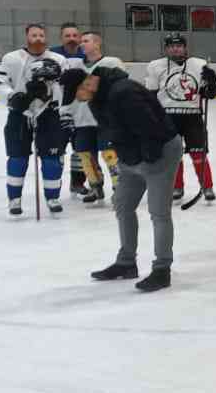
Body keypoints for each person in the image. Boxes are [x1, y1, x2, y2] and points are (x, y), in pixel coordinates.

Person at [68, 65, 183, 293]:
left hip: (159, 153)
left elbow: (151, 128)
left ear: (87, 83)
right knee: (122, 205)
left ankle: (162, 270)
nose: (77, 100)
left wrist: (148, 159)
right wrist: (125, 159)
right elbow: (111, 130)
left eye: (76, 94)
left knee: (159, 212)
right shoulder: (96, 99)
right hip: (131, 158)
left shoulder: (124, 92)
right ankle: (126, 262)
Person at [0, 22, 67, 217]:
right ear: (27, 37)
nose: (38, 39)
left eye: (41, 35)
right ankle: (14, 199)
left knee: (52, 158)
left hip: (49, 114)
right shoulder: (11, 58)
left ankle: (52, 197)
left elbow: (66, 87)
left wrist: (49, 94)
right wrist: (13, 98)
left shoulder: (58, 59)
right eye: (34, 35)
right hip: (19, 115)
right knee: (17, 157)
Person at [143, 33, 216, 203]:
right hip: (167, 118)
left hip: (193, 117)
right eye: (171, 46)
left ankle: (207, 186)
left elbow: (210, 94)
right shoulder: (155, 66)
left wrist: (211, 83)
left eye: (179, 45)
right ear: (166, 49)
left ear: (185, 48)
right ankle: (176, 187)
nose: (175, 48)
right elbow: (151, 95)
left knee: (199, 153)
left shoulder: (199, 65)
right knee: (172, 155)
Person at [66, 30, 125, 206]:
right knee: (85, 154)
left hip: (105, 118)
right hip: (82, 119)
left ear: (97, 43)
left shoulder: (112, 62)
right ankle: (95, 186)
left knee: (110, 154)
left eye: (86, 41)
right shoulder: (74, 65)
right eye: (81, 41)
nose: (81, 44)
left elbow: (121, 87)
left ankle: (119, 189)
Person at [55, 22, 88, 196]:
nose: (72, 39)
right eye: (68, 36)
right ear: (61, 38)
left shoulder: (87, 55)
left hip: (81, 111)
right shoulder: (52, 55)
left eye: (75, 36)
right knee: (56, 149)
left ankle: (77, 182)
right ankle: (53, 185)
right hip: (56, 111)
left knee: (80, 148)